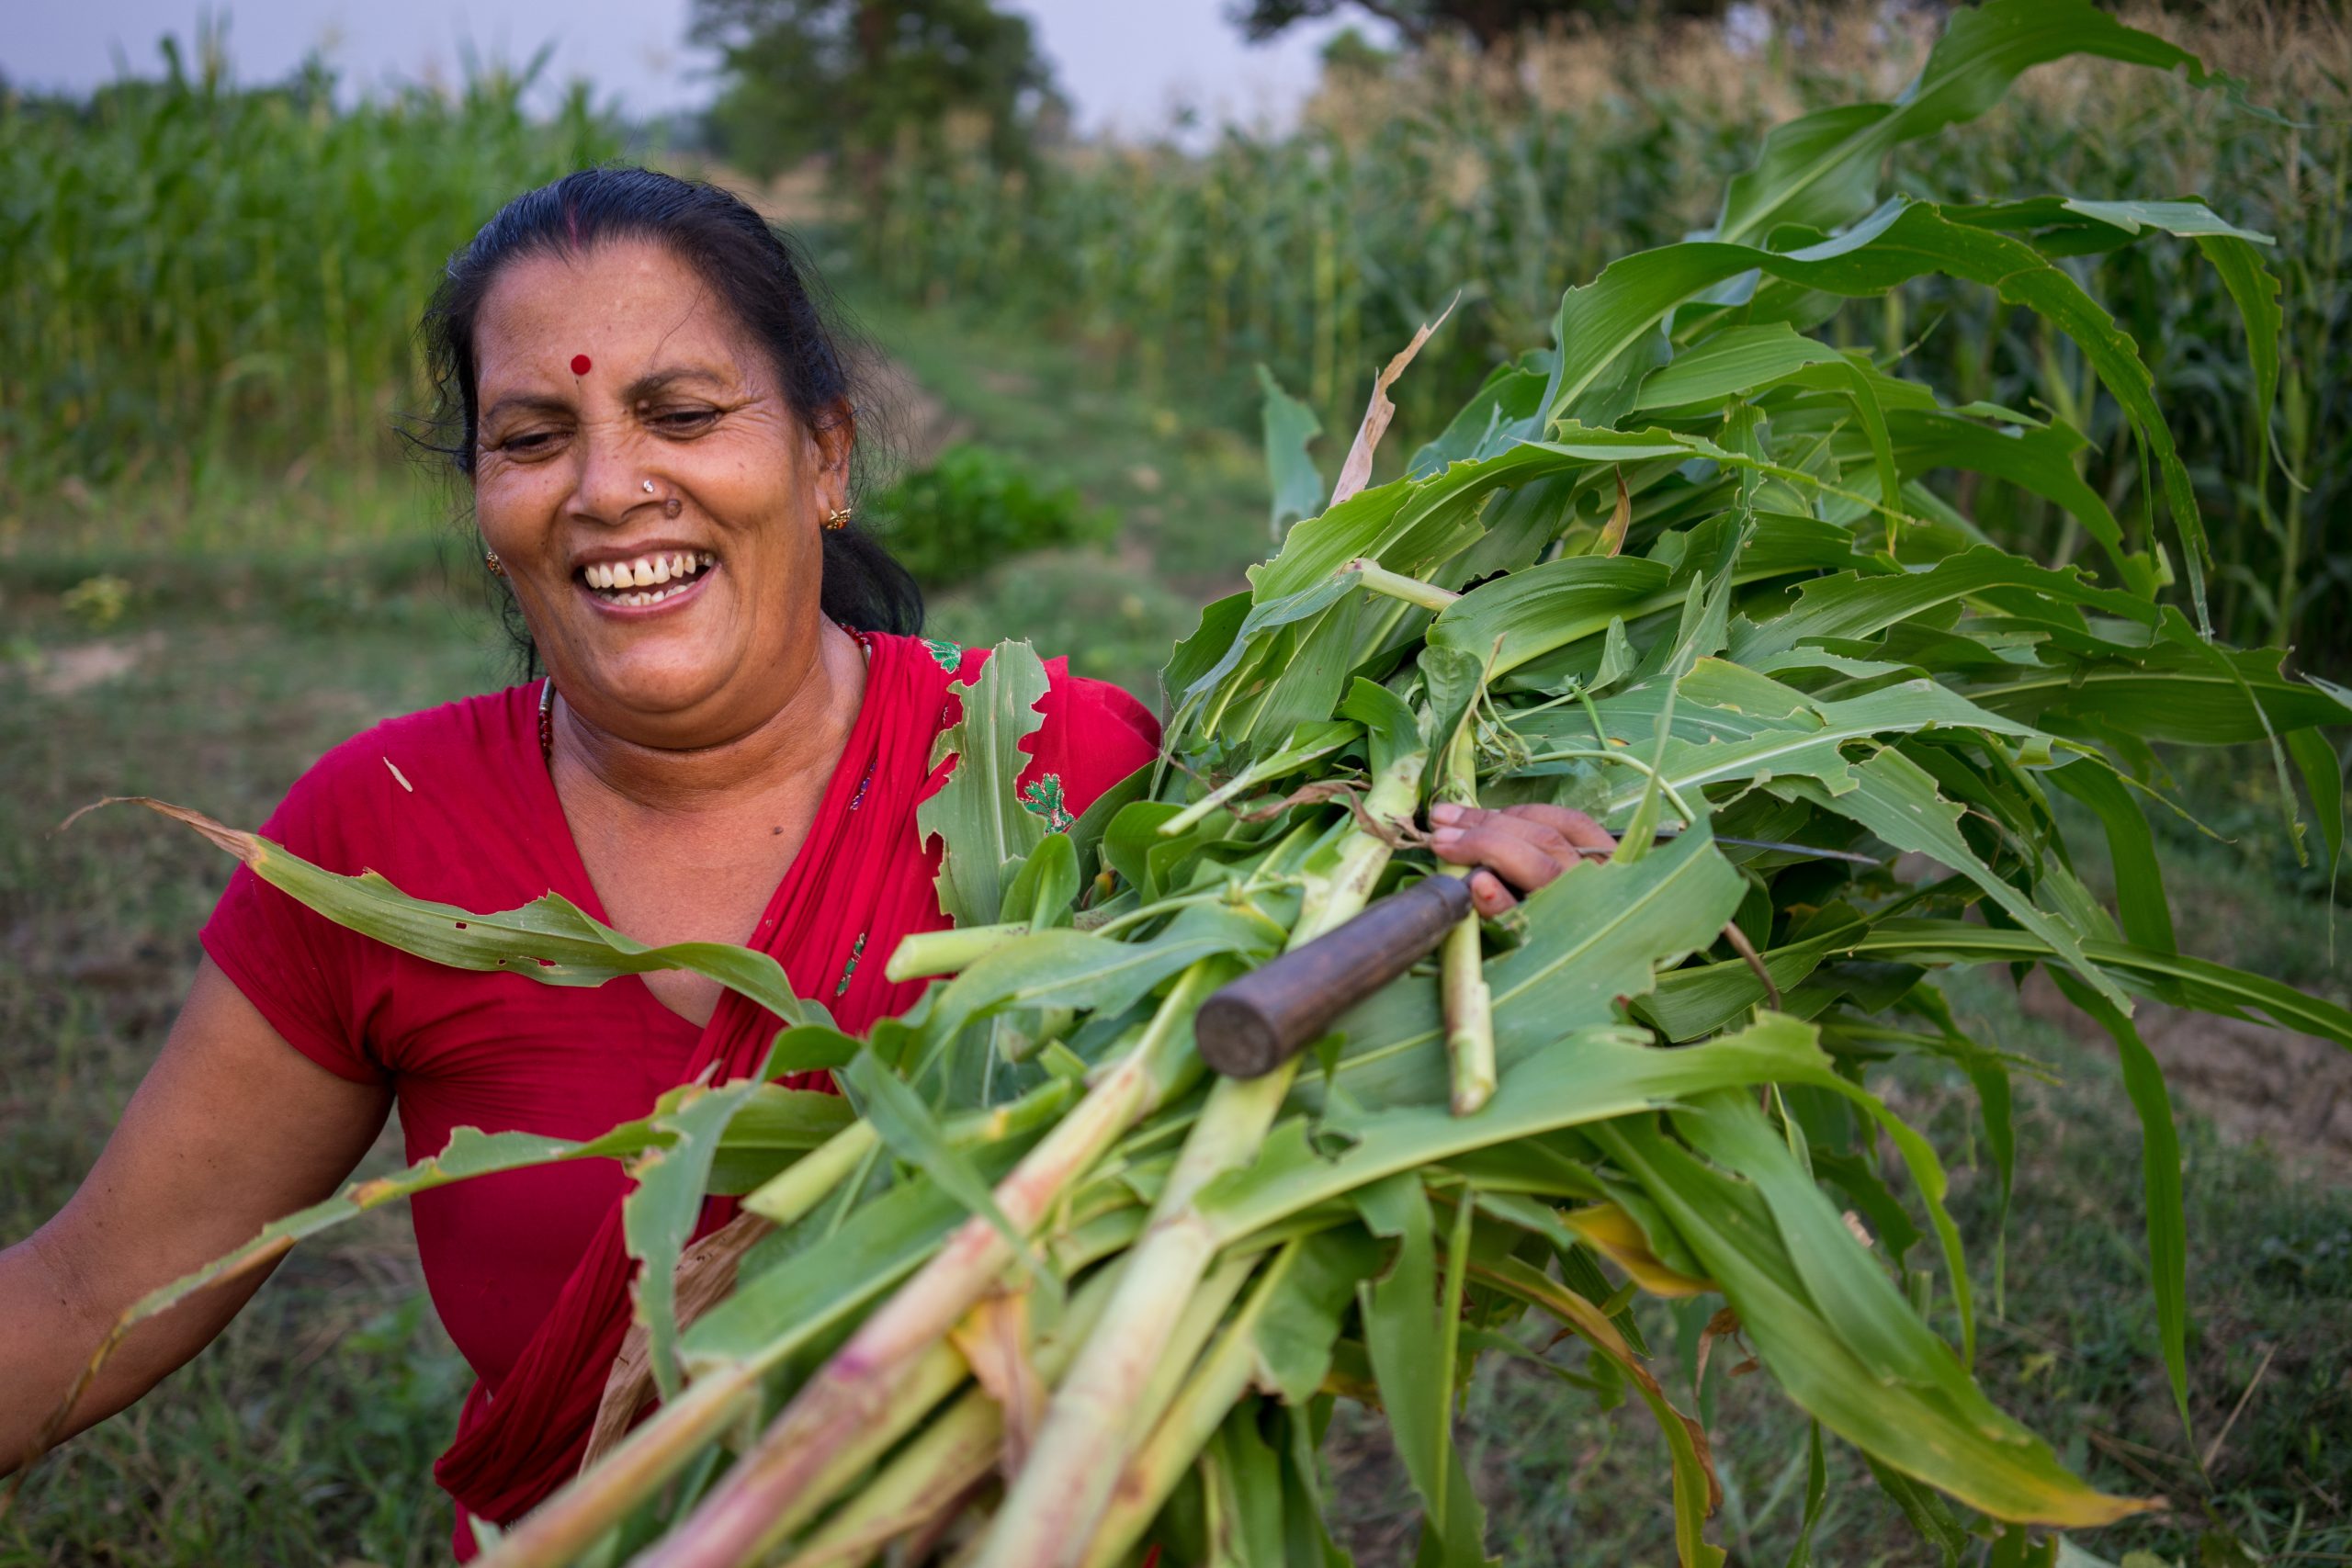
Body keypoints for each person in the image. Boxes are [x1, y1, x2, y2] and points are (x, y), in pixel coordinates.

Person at [0, 167, 1606, 1554]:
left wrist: (1484, 927)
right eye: (532, 434)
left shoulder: (1076, 775)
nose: (610, 486)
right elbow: (85, 1296)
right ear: (484, 497)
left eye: (684, 414)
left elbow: (1313, 1181)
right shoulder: (385, 828)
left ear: (827, 460)